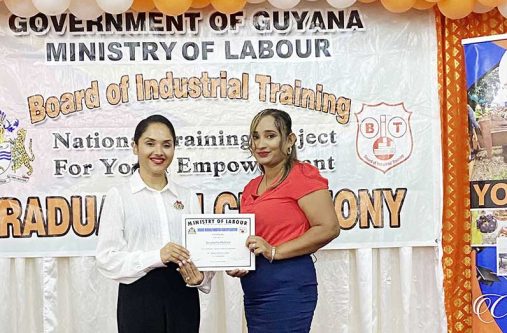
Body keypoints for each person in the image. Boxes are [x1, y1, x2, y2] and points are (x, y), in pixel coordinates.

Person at [96, 114, 213, 333]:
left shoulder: (187, 197)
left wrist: (201, 278)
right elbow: (106, 258)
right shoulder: (119, 195)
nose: (159, 152)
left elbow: (201, 253)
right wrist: (158, 256)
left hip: (183, 297)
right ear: (135, 147)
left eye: (166, 145)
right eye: (150, 143)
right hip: (139, 298)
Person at [227, 109, 341, 332]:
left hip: (288, 286)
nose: (261, 143)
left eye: (270, 136)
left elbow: (329, 227)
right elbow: (256, 241)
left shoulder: (302, 175)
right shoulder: (250, 188)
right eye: (256, 136)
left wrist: (274, 251)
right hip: (255, 289)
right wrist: (238, 259)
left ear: (289, 140)